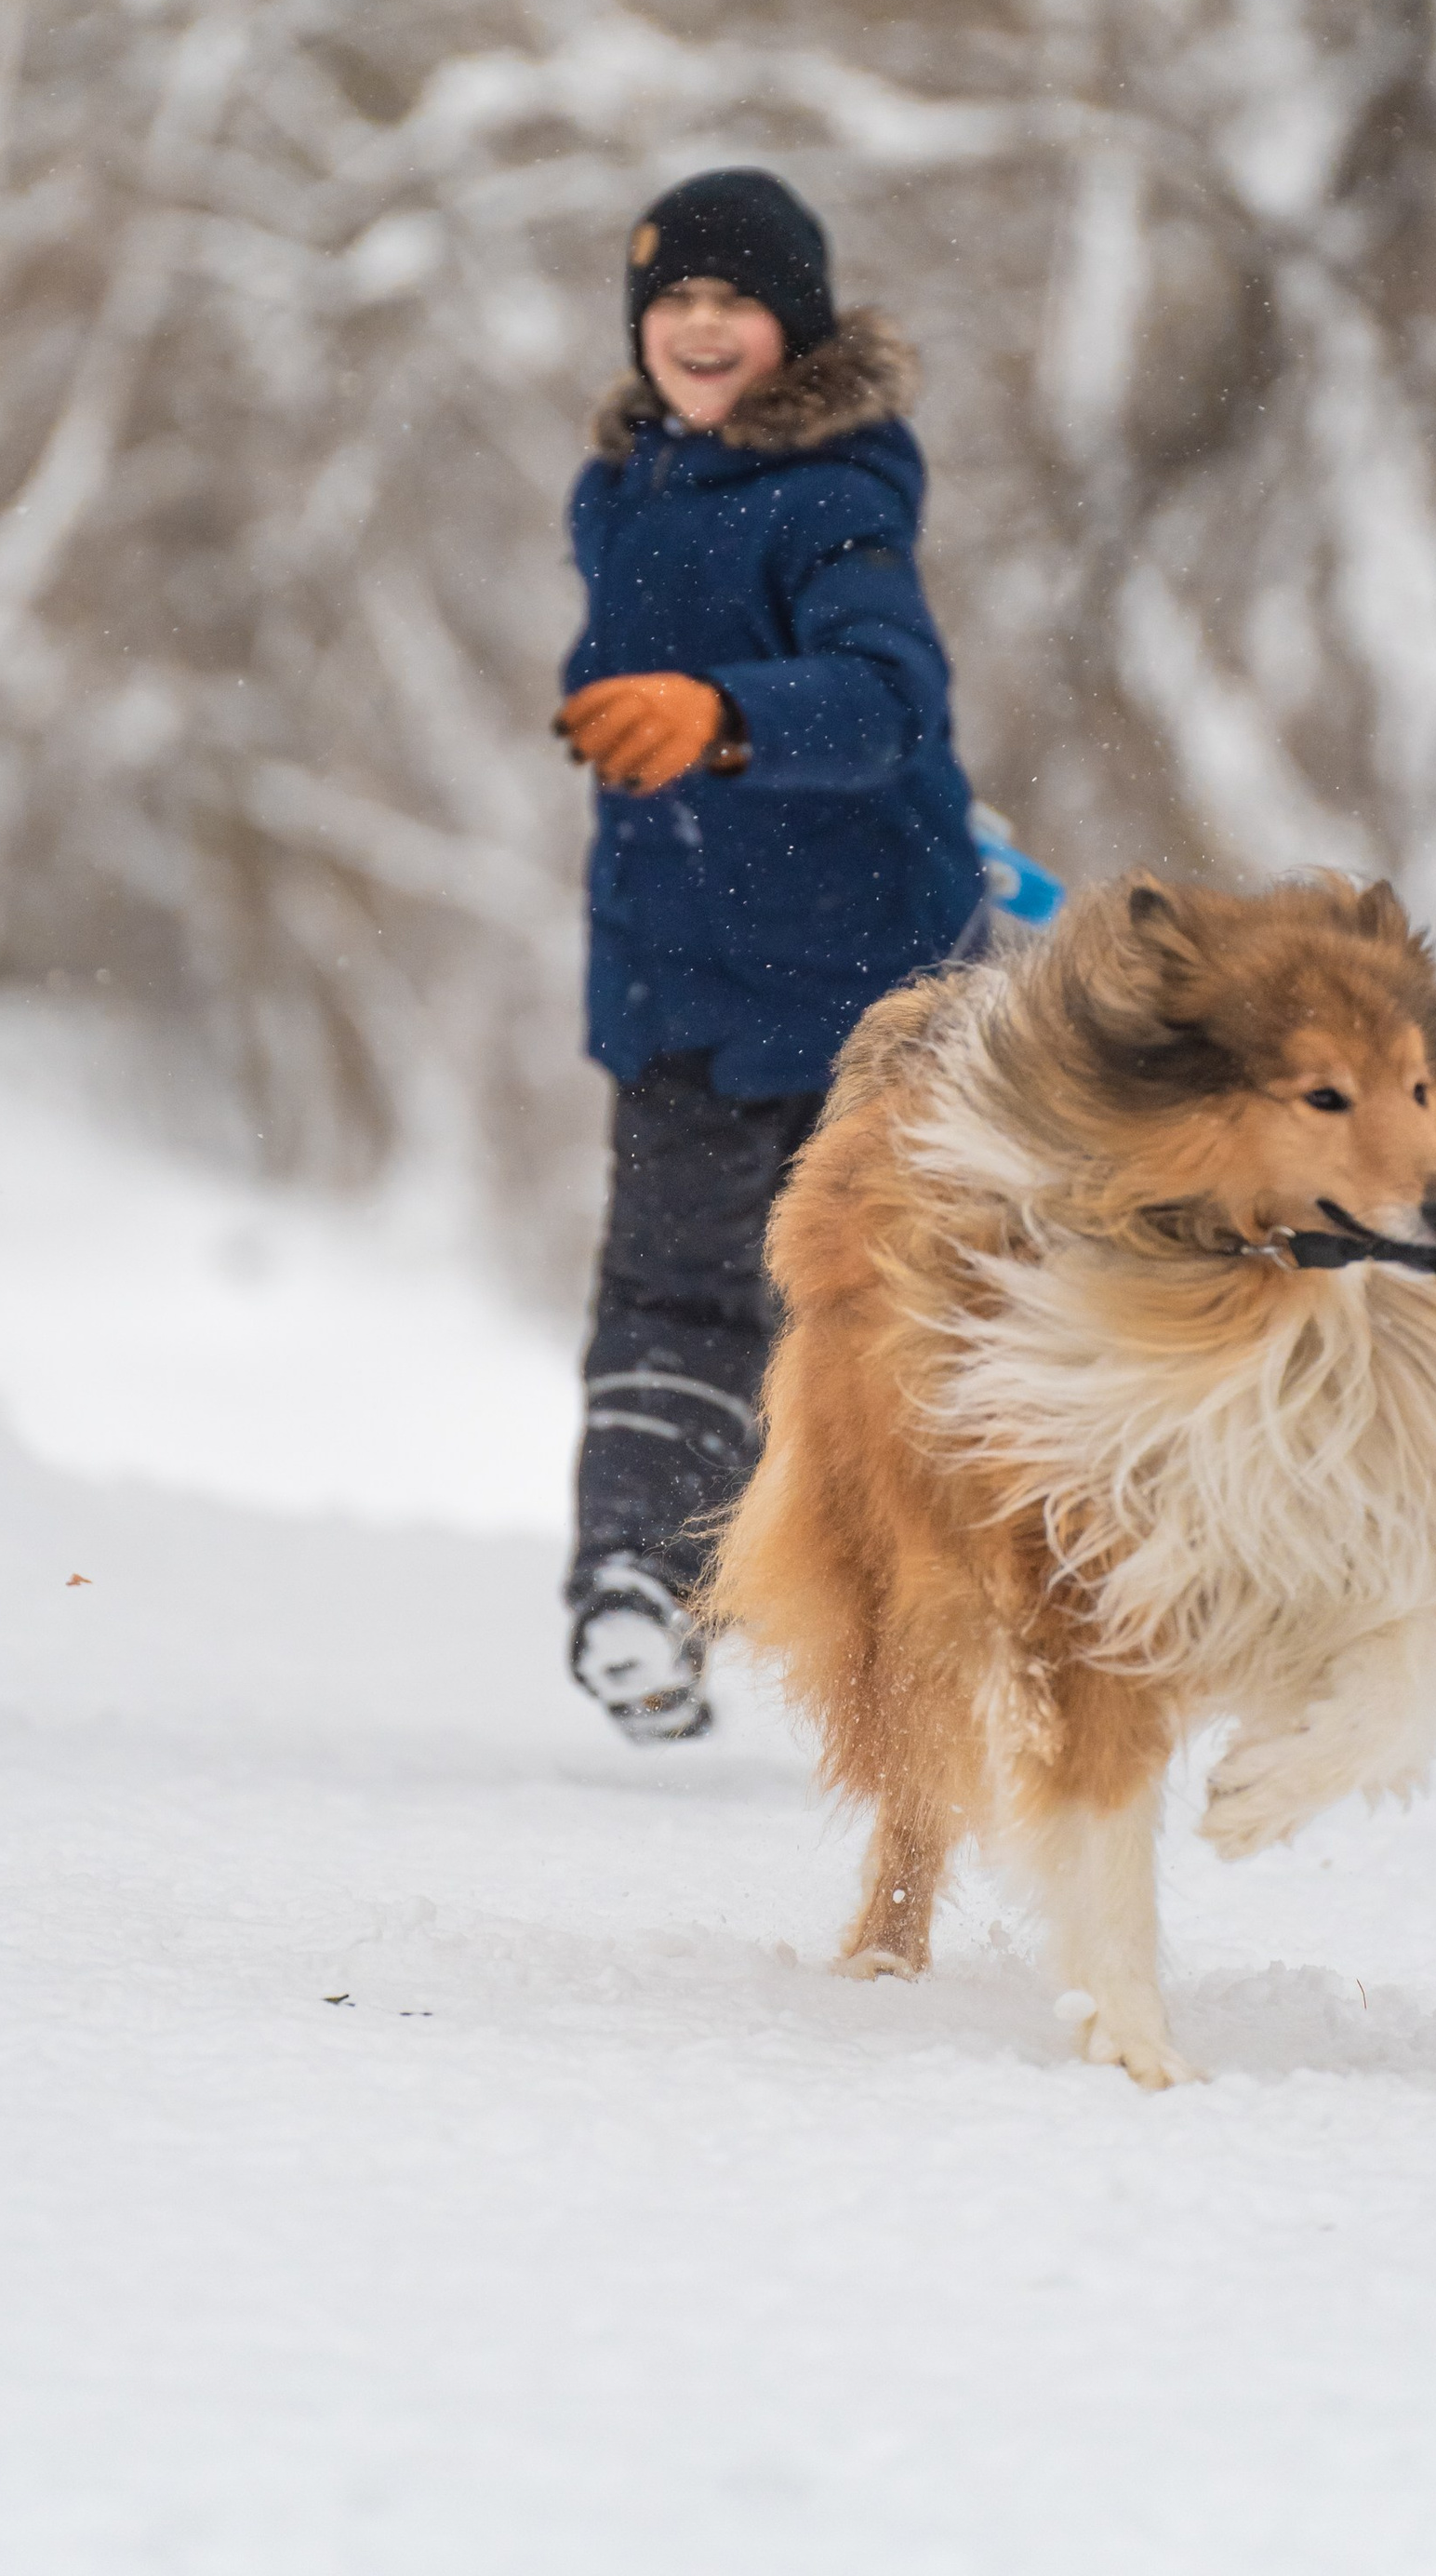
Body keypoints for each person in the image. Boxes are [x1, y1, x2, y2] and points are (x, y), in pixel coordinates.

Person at [552, 167, 984, 1742]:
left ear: (792, 324)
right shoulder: (621, 491)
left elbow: (889, 697)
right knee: (668, 1295)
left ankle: (939, 1611)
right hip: (677, 979)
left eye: (733, 300)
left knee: (884, 1318)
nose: (699, 326)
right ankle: (641, 1594)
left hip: (867, 995)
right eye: (671, 300)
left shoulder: (836, 495)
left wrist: (726, 717)